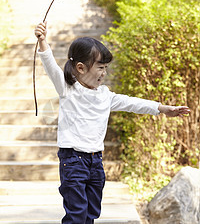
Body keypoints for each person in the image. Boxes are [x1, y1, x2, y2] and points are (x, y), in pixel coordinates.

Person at [35, 21, 190, 224]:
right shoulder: (67, 90)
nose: (104, 73)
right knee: (76, 213)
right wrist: (43, 41)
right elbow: (51, 66)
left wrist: (162, 109)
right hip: (73, 161)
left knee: (91, 211)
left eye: (105, 68)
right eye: (100, 67)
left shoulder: (105, 95)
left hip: (95, 162)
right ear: (80, 68)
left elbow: (132, 103)